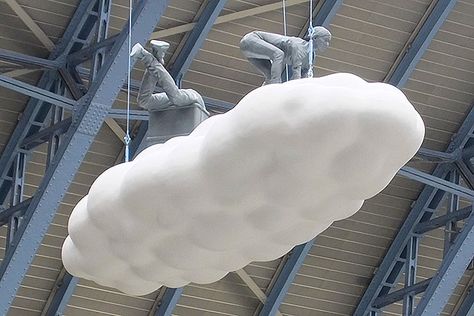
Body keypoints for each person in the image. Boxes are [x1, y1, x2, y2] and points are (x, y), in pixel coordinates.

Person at [239, 27, 331, 85]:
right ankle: (276, 85)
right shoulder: (299, 46)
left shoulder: (311, 57)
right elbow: (296, 73)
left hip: (252, 52)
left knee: (270, 76)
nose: (327, 44)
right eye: (325, 40)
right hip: (251, 40)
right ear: (315, 38)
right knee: (278, 54)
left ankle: (264, 94)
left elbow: (304, 74)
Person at [130, 40, 205, 111]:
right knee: (177, 98)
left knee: (144, 102)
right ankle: (144, 56)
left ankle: (157, 55)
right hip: (194, 99)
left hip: (179, 105)